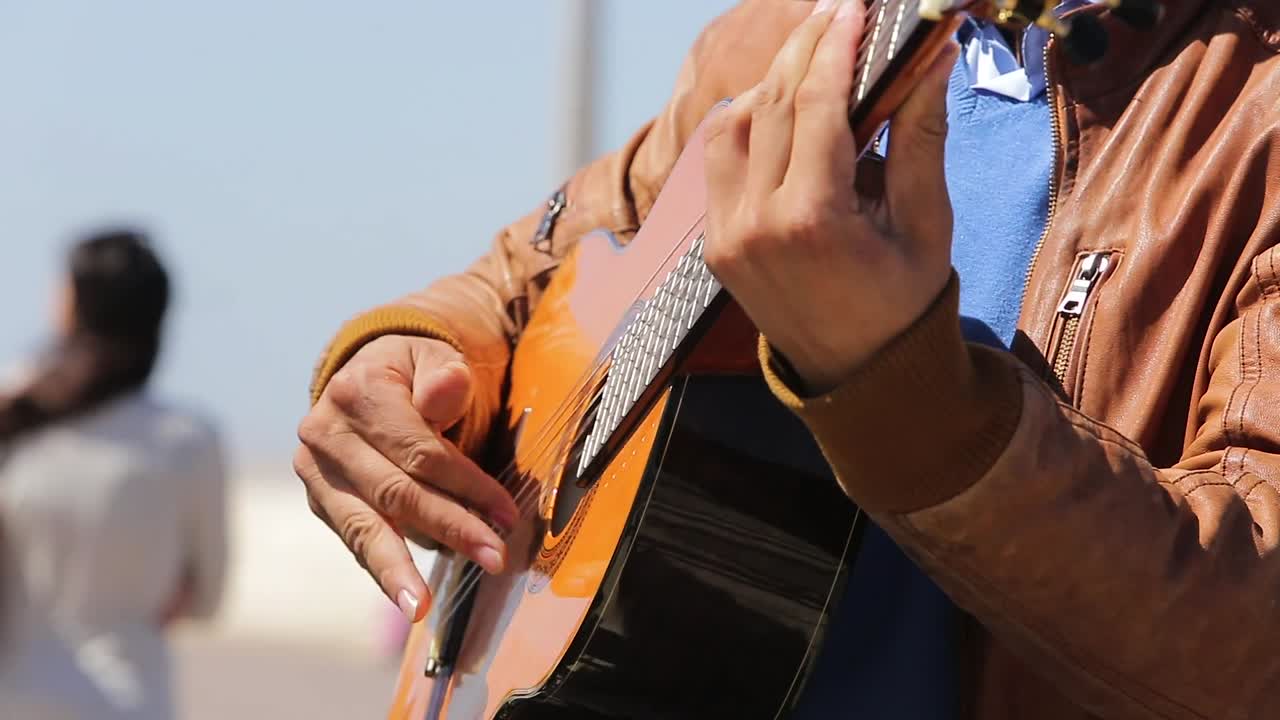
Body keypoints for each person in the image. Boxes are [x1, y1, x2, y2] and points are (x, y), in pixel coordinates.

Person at [294, 0, 1280, 716]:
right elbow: (536, 267)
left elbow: (1253, 641)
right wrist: (421, 350)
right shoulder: (786, 38)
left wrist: (896, 385)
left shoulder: (1253, 118)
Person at [0, 229, 228, 720]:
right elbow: (207, 598)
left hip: (15, 694)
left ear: (69, 310)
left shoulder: (14, 416)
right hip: (132, 699)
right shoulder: (188, 440)